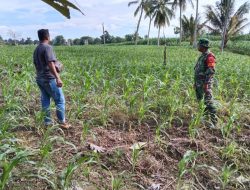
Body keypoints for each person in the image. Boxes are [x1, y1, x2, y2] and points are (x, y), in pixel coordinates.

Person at [33, 29, 70, 129]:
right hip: (49, 79)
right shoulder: (47, 47)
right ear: (47, 37)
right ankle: (62, 122)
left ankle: (47, 123)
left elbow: (37, 64)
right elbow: (50, 63)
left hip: (40, 78)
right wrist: (58, 78)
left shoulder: (36, 49)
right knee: (60, 100)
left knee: (45, 101)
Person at [194, 38, 217, 127]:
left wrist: (206, 84)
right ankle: (205, 119)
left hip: (205, 84)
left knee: (209, 102)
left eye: (199, 45)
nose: (197, 46)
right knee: (201, 101)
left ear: (203, 46)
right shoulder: (203, 55)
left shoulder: (209, 56)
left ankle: (214, 122)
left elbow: (211, 71)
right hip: (199, 84)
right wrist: (196, 83)